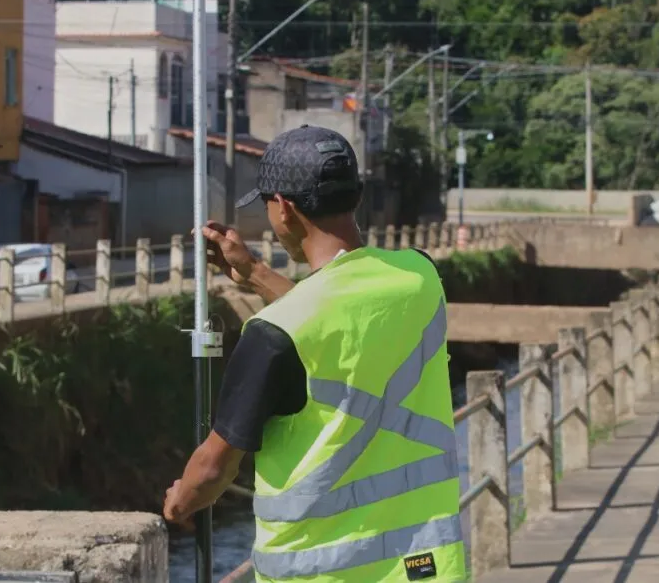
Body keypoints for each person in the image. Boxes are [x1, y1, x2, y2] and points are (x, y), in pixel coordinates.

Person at [162, 125, 465, 582]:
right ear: (356, 196)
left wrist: (179, 502)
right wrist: (256, 273)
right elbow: (338, 316)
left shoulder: (271, 335)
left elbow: (214, 468)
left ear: (283, 208)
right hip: (427, 568)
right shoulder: (420, 277)